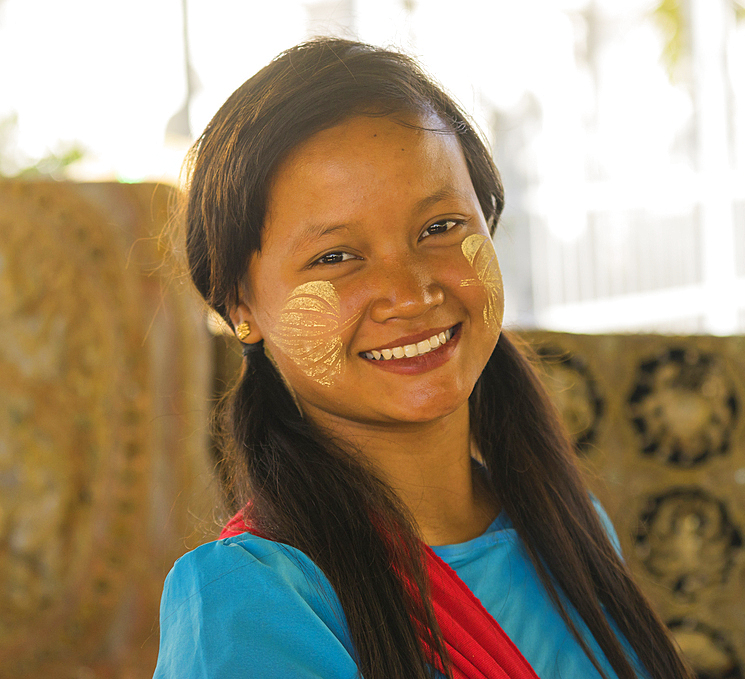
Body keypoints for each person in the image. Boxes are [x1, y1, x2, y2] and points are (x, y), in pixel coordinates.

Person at [153, 37, 693, 679]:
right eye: (335, 257)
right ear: (239, 305)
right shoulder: (248, 603)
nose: (412, 294)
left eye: (441, 228)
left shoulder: (571, 530)